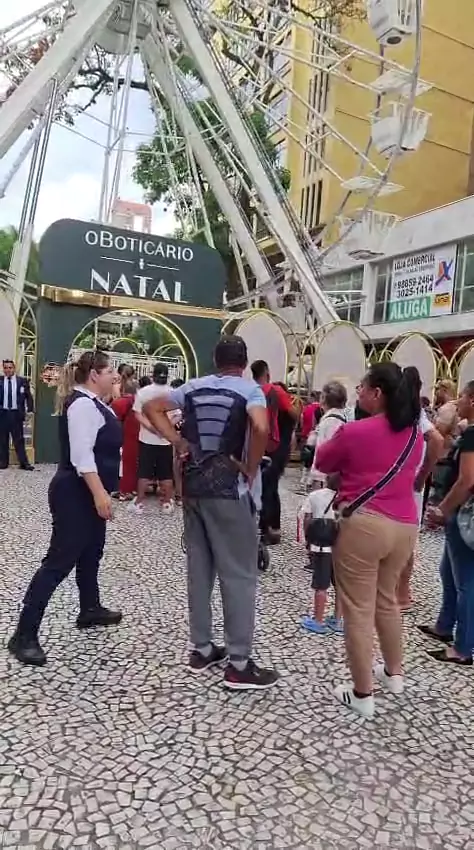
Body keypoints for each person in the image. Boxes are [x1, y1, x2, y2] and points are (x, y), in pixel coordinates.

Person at [143, 335, 278, 691]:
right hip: (230, 491)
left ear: (216, 361)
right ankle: (239, 664)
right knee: (239, 575)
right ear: (244, 363)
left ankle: (202, 649)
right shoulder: (250, 390)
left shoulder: (192, 387)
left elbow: (152, 408)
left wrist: (178, 442)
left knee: (199, 571)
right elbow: (261, 427)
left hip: (193, 488)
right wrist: (250, 467)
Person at [316, 363, 423, 718]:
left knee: (358, 609)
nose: (358, 392)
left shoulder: (354, 431)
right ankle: (394, 674)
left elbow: (323, 460)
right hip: (405, 526)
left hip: (365, 525)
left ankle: (362, 694)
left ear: (377, 393)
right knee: (387, 600)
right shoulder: (415, 435)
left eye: (362, 386)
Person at [8, 351, 123, 666]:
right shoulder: (83, 406)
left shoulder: (95, 403)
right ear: (94, 375)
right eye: (110, 371)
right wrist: (100, 494)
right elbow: (82, 456)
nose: (115, 376)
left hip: (87, 491)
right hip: (75, 493)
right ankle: (24, 634)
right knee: (58, 562)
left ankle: (90, 608)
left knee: (91, 553)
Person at [418, 380, 474, 666]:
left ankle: (463, 647)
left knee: (465, 581)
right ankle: (444, 625)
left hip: (463, 513)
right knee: (448, 572)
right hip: (462, 513)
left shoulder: (472, 435)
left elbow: (467, 480)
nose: (457, 401)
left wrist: (443, 509)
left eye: (462, 396)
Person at [397, 369, 444, 610]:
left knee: (402, 539)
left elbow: (437, 440)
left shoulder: (410, 414)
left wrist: (422, 475)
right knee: (406, 538)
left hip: (407, 484)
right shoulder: (417, 413)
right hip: (411, 484)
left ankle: (402, 592)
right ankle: (402, 591)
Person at [251, 360, 298, 544]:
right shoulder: (276, 391)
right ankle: (270, 528)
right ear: (267, 373)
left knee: (263, 485)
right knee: (270, 487)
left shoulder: (252, 391)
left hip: (259, 444)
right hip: (277, 446)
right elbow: (294, 414)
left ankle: (266, 527)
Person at [129, 363, 176, 515]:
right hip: (166, 439)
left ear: (153, 375)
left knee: (144, 471)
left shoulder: (143, 392)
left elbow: (137, 414)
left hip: (146, 439)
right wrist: (164, 427)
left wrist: (151, 427)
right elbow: (178, 415)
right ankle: (167, 503)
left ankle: (139, 502)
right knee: (166, 472)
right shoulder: (173, 393)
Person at [300, 475, 343, 635]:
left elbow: (307, 519)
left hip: (321, 548)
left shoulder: (315, 495)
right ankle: (337, 620)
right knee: (340, 586)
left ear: (326, 478)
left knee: (321, 585)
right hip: (341, 549)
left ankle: (318, 620)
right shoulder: (347, 498)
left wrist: (308, 541)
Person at [310, 381, 347, 486]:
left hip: (324, 477)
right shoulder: (341, 419)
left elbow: (324, 449)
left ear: (324, 399)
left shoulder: (330, 422)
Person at [0, 359, 34, 470]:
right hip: (3, 414)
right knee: (2, 439)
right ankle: (3, 462)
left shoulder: (22, 381)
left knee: (19, 439)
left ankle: (24, 463)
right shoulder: (0, 381)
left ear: (14, 368)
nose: (8, 370)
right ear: (3, 369)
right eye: (5, 368)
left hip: (16, 414)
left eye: (10, 368)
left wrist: (30, 410)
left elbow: (29, 396)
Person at [111, 372, 139, 501]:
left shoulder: (119, 403)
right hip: (137, 435)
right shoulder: (140, 402)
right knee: (133, 464)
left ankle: (124, 490)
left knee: (124, 464)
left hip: (123, 435)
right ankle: (132, 489)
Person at [431, 379, 458, 504]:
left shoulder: (447, 409)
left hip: (443, 455)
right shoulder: (453, 407)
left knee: (438, 494)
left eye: (438, 389)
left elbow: (440, 431)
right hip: (448, 454)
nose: (436, 392)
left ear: (444, 390)